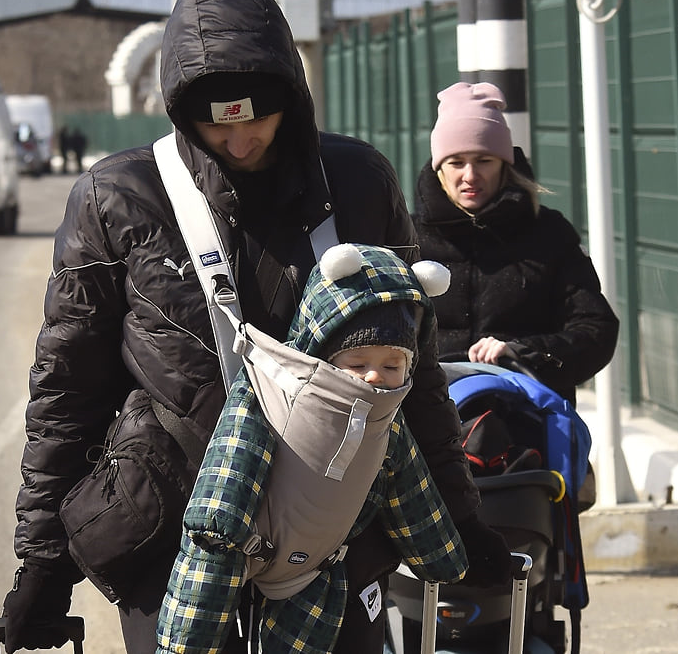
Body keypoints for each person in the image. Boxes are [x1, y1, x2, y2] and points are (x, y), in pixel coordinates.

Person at [0, 0, 512, 653]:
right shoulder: (119, 198)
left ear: (289, 101)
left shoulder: (359, 184)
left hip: (335, 536)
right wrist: (44, 561)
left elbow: (407, 372)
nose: (239, 139)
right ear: (183, 111)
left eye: (257, 118)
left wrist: (461, 515)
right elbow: (69, 386)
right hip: (174, 536)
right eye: (216, 122)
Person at [158, 243, 469, 652]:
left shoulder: (387, 423)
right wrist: (219, 524)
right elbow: (228, 479)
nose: (375, 375)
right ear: (325, 350)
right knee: (207, 576)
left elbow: (412, 492)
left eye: (392, 365)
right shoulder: (274, 391)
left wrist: (446, 564)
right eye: (357, 363)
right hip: (234, 546)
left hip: (317, 571)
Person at [411, 82, 619, 407]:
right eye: (456, 162)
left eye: (484, 160)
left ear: (505, 165)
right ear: (439, 169)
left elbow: (596, 330)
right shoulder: (406, 237)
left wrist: (522, 352)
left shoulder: (549, 233)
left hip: (527, 427)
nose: (470, 175)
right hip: (427, 422)